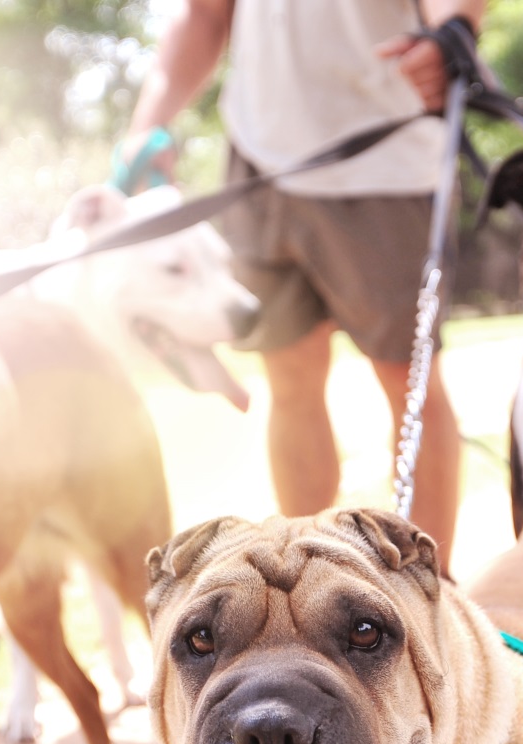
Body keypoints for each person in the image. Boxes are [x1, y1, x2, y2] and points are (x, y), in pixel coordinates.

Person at [116, 0, 484, 575]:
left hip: (385, 161)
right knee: (289, 379)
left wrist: (454, 28)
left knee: (407, 384)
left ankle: (429, 599)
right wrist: (146, 126)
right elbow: (206, 14)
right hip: (261, 161)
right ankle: (306, 587)